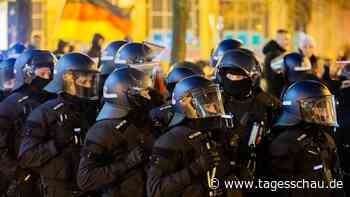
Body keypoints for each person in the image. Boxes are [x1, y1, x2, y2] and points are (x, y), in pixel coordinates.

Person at [18, 52, 100, 197]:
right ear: (68, 79)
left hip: (89, 187)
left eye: (91, 81)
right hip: (59, 190)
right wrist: (56, 144)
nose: (89, 86)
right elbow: (27, 157)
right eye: (84, 81)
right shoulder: (45, 112)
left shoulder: (92, 110)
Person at [147, 75, 242, 197]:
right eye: (208, 105)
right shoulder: (171, 140)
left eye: (216, 103)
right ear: (187, 105)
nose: (215, 109)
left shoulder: (213, 134)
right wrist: (195, 168)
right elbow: (155, 191)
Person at [78, 66, 157, 196]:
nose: (148, 97)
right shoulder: (102, 130)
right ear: (125, 93)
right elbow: (86, 179)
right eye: (143, 93)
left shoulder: (141, 123)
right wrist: (127, 163)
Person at [215, 49, 281, 196]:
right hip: (220, 177)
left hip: (257, 174)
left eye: (238, 76)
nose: (233, 79)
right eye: (229, 75)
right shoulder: (213, 101)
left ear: (252, 77)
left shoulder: (267, 104)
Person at [270, 80, 343, 197]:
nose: (325, 111)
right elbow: (282, 189)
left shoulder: (325, 138)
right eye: (320, 106)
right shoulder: (286, 142)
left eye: (327, 106)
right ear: (300, 107)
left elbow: (336, 179)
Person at [0, 50, 56, 197]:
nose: (47, 78)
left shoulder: (53, 101)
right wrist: (17, 173)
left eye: (50, 74)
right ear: (27, 73)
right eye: (42, 74)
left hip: (49, 179)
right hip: (21, 181)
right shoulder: (10, 105)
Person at [263, 29, 291, 97]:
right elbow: (279, 79)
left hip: (274, 93)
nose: (288, 42)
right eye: (286, 39)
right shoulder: (275, 55)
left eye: (289, 39)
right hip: (276, 95)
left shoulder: (275, 53)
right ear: (278, 39)